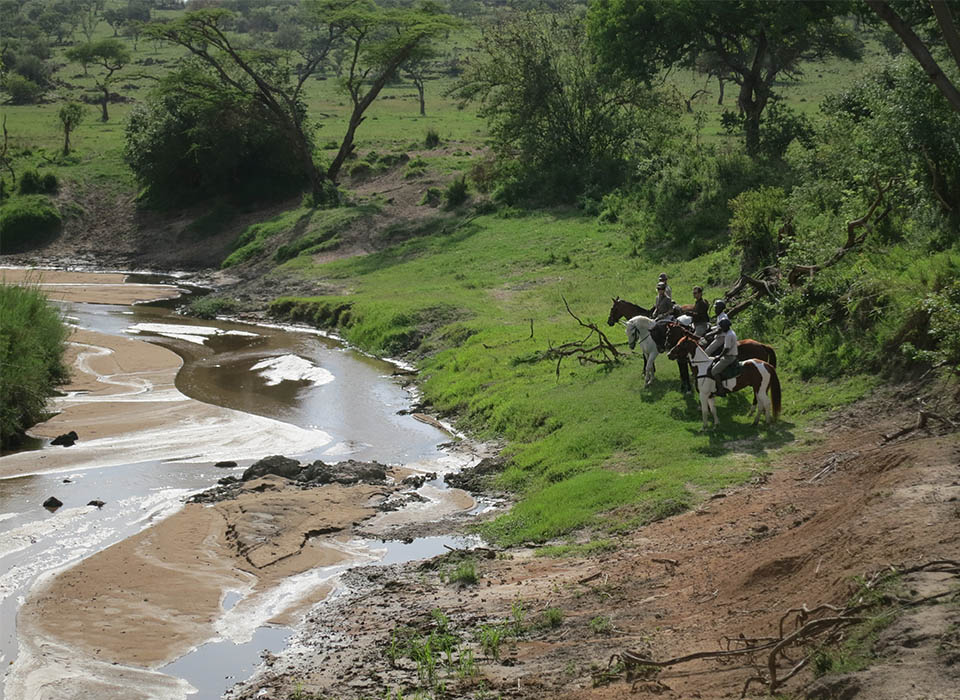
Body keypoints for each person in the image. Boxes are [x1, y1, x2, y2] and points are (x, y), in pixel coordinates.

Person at [704, 317, 738, 396]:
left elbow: (726, 349)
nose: (721, 329)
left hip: (729, 357)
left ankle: (721, 390)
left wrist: (719, 357)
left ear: (726, 327)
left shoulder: (728, 335)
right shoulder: (731, 332)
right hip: (730, 355)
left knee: (714, 371)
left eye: (722, 327)